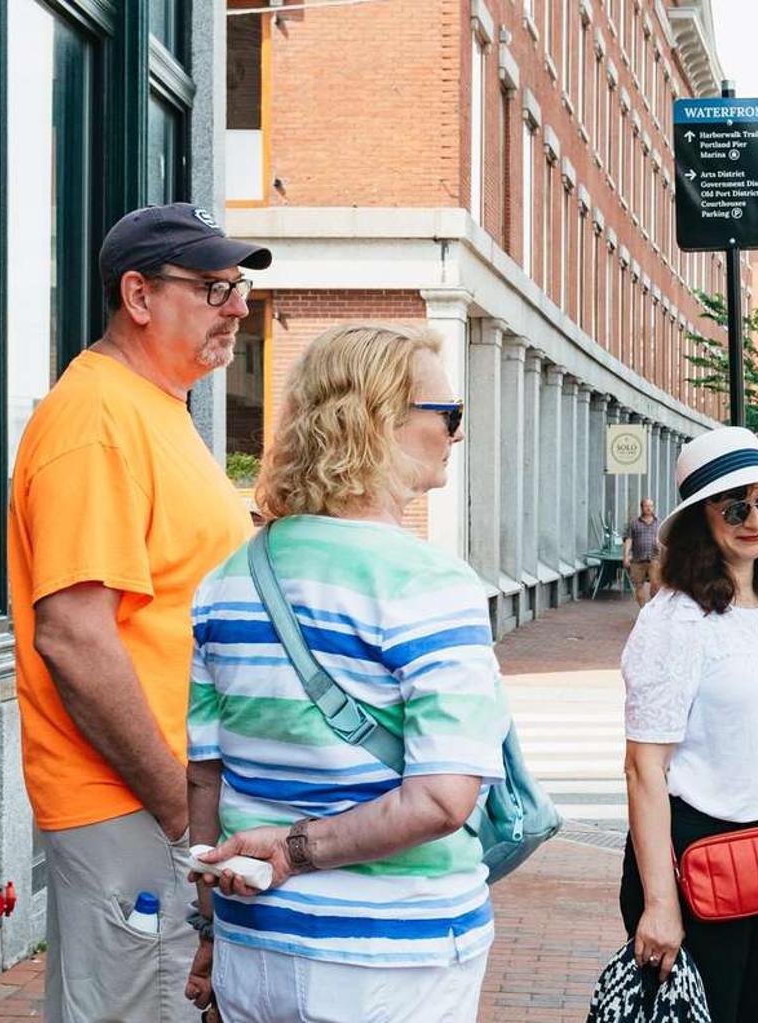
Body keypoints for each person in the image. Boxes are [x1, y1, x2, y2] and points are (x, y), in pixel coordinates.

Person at [185, 322, 510, 1022]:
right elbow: (442, 800)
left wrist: (211, 924)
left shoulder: (228, 580)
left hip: (256, 943)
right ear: (381, 420)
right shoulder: (430, 583)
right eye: (449, 414)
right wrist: (296, 851)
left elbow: (204, 775)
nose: (457, 433)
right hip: (394, 954)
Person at [6, 203, 269, 1023]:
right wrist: (179, 810)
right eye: (215, 287)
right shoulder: (95, 422)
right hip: (131, 805)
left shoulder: (159, 409)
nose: (238, 307)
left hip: (159, 804)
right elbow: (76, 638)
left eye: (240, 288)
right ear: (139, 295)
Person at [620, 426, 758, 1023]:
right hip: (694, 859)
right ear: (700, 521)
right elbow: (644, 769)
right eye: (735, 506)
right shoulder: (674, 620)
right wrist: (661, 903)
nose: (756, 521)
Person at [624, 497, 663, 605]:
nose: (649, 508)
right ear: (642, 507)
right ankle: (643, 609)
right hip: (637, 559)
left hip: (654, 558)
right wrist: (626, 556)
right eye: (646, 506)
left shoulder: (659, 523)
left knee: (655, 584)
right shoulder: (634, 523)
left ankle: (652, 608)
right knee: (638, 585)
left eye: (651, 506)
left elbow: (663, 539)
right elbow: (629, 539)